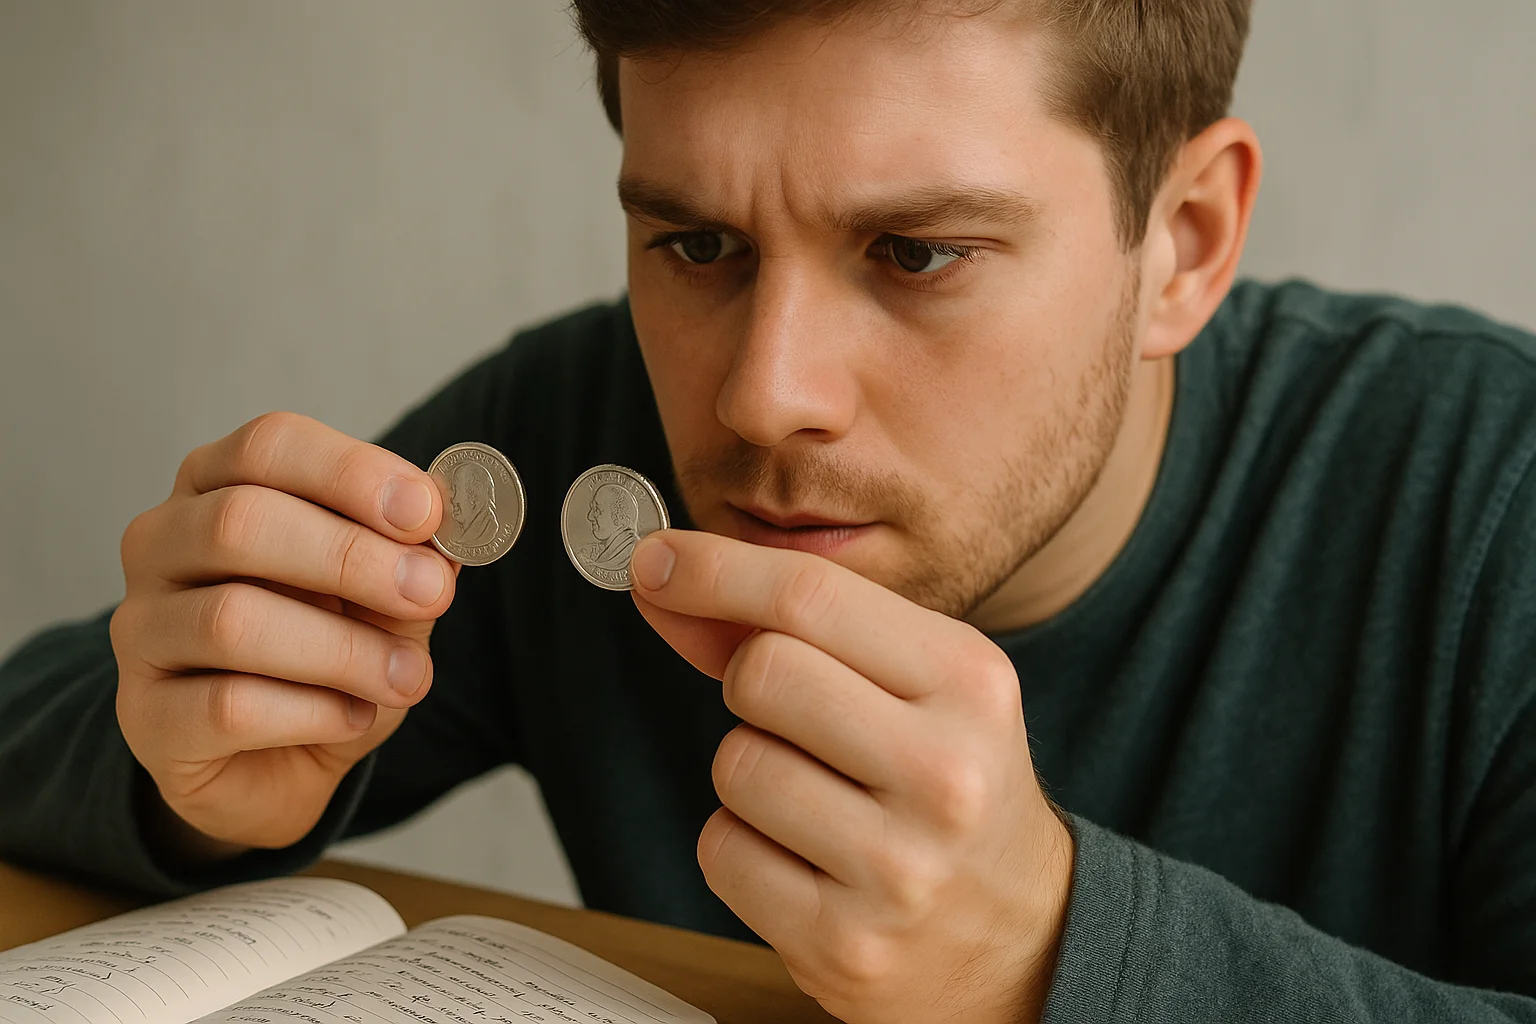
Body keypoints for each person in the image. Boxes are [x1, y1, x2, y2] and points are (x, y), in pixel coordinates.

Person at [1, 1, 1533, 1022]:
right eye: (697, 245)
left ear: (1183, 244)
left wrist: (1052, 958)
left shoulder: (1496, 504)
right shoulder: (572, 430)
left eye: (915, 253)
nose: (760, 396)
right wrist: (177, 768)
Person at [579, 483, 642, 572]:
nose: (590, 516)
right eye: (592, 508)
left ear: (618, 516)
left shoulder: (631, 550)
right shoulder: (593, 551)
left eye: (597, 510)